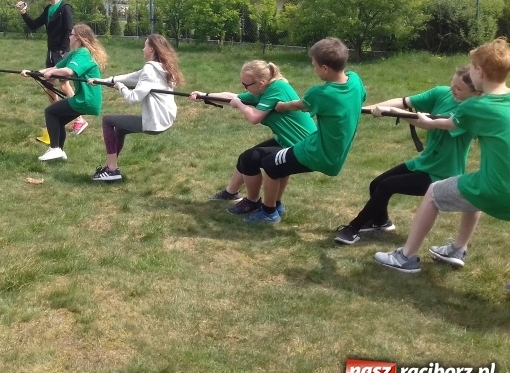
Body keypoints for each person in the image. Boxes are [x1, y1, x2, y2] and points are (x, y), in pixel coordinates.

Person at [374, 37, 510, 274]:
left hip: (497, 188)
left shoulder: (474, 107)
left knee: (434, 192)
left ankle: (406, 257)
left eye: (472, 68)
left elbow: (442, 124)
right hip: (499, 182)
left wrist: (422, 119)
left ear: (479, 71)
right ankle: (458, 249)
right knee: (472, 187)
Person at [334, 66, 478, 245]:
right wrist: (364, 109)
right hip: (425, 162)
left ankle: (353, 228)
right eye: (452, 84)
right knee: (377, 184)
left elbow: (428, 124)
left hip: (442, 172)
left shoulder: (471, 112)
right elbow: (403, 101)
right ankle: (381, 222)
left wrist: (397, 114)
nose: (452, 90)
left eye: (459, 88)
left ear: (475, 92)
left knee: (387, 186)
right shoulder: (443, 93)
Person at [248, 37, 366, 224]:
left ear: (325, 68)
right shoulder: (355, 81)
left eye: (315, 65)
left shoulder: (320, 93)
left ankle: (268, 212)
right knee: (278, 164)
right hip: (335, 153)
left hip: (316, 152)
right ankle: (276, 205)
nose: (314, 69)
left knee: (270, 164)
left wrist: (284, 106)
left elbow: (301, 105)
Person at [190, 60, 317, 217]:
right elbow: (232, 96)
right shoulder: (266, 89)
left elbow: (254, 117)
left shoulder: (276, 90)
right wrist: (204, 95)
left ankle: (253, 202)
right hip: (288, 140)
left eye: (246, 85)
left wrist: (241, 106)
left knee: (249, 159)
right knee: (248, 158)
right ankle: (264, 202)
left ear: (261, 83)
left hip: (303, 144)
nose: (244, 88)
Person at [89, 34, 184, 182]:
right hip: (166, 119)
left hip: (155, 122)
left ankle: (112, 170)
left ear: (151, 49)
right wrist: (101, 81)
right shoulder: (162, 67)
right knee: (120, 129)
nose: (143, 49)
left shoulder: (150, 70)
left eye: (145, 46)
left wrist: (121, 88)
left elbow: (133, 98)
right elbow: (130, 77)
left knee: (107, 120)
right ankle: (109, 167)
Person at [22, 23, 106, 161]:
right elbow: (54, 67)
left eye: (71, 34)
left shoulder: (83, 53)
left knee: (50, 112)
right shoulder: (75, 54)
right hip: (84, 98)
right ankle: (59, 152)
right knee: (58, 120)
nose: (69, 37)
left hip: (86, 99)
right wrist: (32, 73)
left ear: (78, 38)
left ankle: (55, 148)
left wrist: (53, 72)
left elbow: (68, 71)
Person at [17, 0, 88, 141]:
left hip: (61, 53)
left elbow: (69, 30)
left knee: (64, 84)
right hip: (50, 52)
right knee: (48, 83)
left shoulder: (65, 8)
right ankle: (55, 116)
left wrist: (63, 51)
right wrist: (24, 13)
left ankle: (79, 120)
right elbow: (34, 25)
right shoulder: (49, 9)